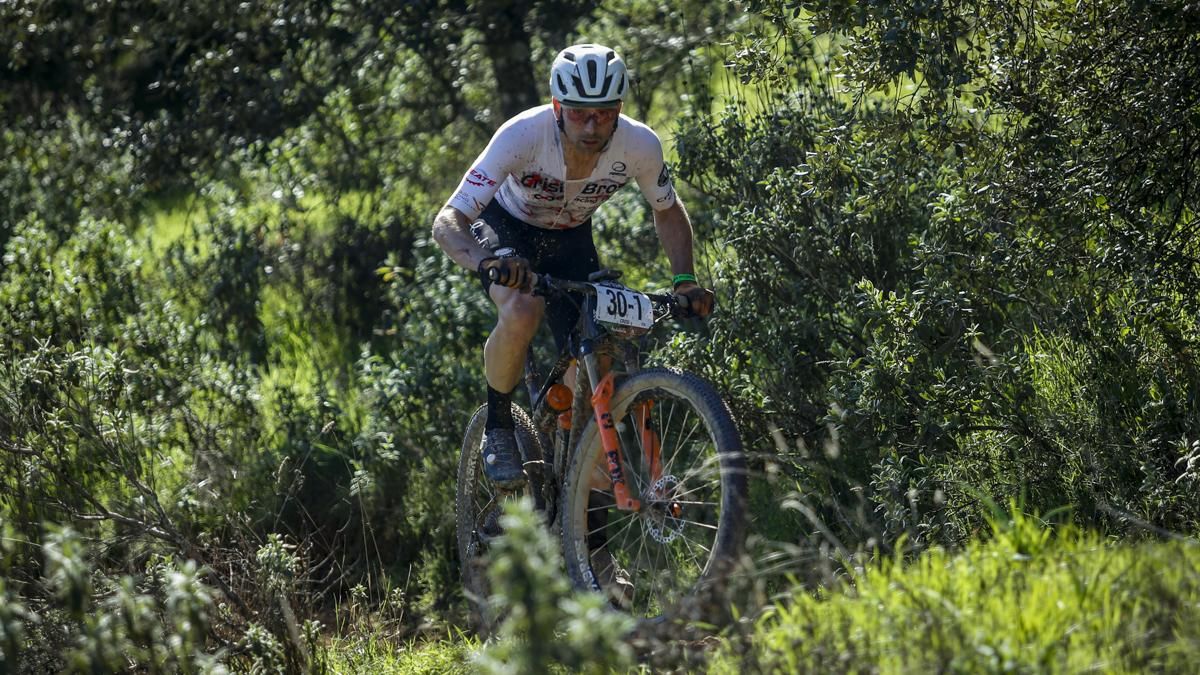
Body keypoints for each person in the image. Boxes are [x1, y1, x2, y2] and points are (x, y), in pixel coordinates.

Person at [432, 43, 714, 490]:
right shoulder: (522, 135)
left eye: (604, 114)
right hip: (507, 229)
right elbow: (448, 221)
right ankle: (500, 428)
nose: (591, 125)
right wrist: (486, 262)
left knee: (595, 362)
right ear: (557, 106)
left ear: (619, 109)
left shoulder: (638, 143)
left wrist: (685, 281)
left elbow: (667, 208)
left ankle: (581, 513)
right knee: (522, 308)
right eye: (580, 113)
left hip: (570, 237)